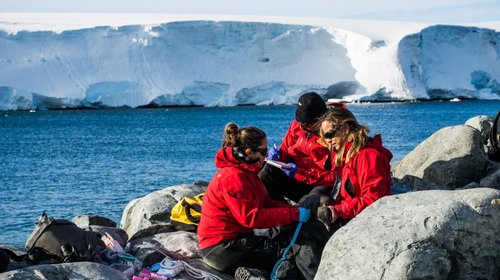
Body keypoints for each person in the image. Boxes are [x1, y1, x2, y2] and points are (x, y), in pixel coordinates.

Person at [275, 107, 393, 280]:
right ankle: (285, 272)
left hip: (363, 224)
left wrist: (337, 211)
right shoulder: (349, 154)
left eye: (329, 135)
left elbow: (375, 199)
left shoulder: (368, 156)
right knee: (305, 212)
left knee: (304, 231)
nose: (328, 142)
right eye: (324, 138)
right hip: (352, 216)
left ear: (344, 128)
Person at [197, 122, 312, 279]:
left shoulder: (247, 172)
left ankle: (251, 272)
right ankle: (248, 273)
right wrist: (294, 215)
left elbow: (266, 203)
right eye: (263, 151)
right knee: (285, 253)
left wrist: (293, 210)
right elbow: (251, 218)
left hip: (232, 242)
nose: (266, 156)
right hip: (222, 248)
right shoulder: (233, 177)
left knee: (281, 244)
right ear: (249, 152)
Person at [259, 92, 336, 203]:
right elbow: (285, 149)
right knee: (266, 173)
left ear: (320, 119)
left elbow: (335, 178)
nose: (300, 127)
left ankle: (298, 214)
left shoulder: (333, 135)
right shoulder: (298, 125)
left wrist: (299, 173)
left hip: (321, 184)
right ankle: (280, 212)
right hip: (297, 178)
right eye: (299, 122)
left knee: (310, 200)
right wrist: (278, 156)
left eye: (305, 124)